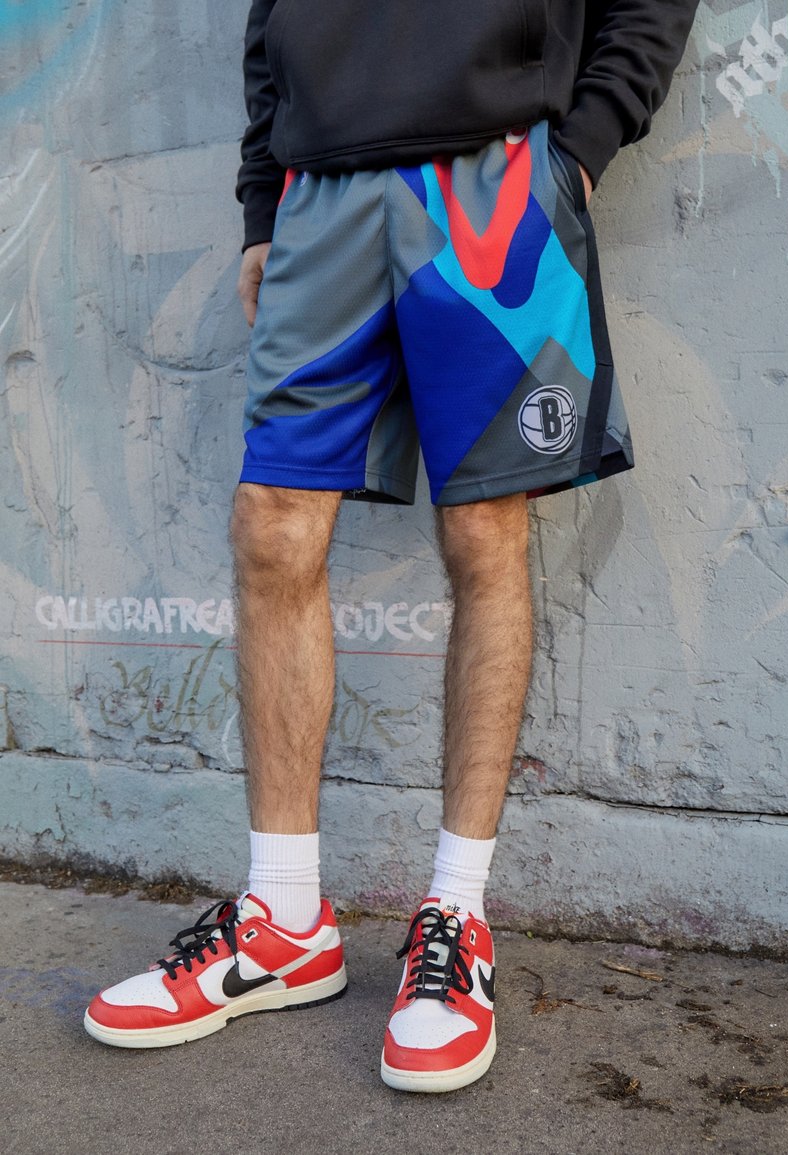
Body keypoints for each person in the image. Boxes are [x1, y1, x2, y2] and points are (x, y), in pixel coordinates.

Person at [84, 0, 700, 1091]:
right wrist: (264, 200)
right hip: (319, 194)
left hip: (496, 182)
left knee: (481, 531)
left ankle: (454, 922)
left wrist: (584, 145)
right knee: (271, 528)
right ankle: (282, 920)